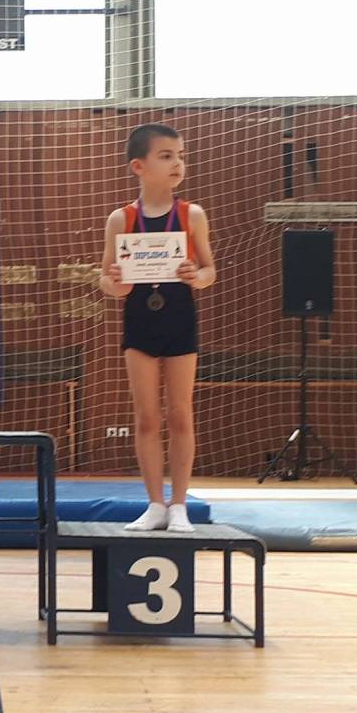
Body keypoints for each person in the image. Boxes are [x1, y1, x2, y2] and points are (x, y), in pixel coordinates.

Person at [100, 124, 217, 532]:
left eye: (180, 155)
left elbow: (210, 270)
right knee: (147, 417)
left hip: (180, 320)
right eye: (166, 156)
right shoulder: (121, 219)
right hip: (139, 322)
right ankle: (154, 504)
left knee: (181, 414)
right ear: (139, 166)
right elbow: (106, 278)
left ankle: (179, 504)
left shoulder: (191, 215)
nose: (177, 163)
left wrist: (197, 276)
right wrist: (116, 283)